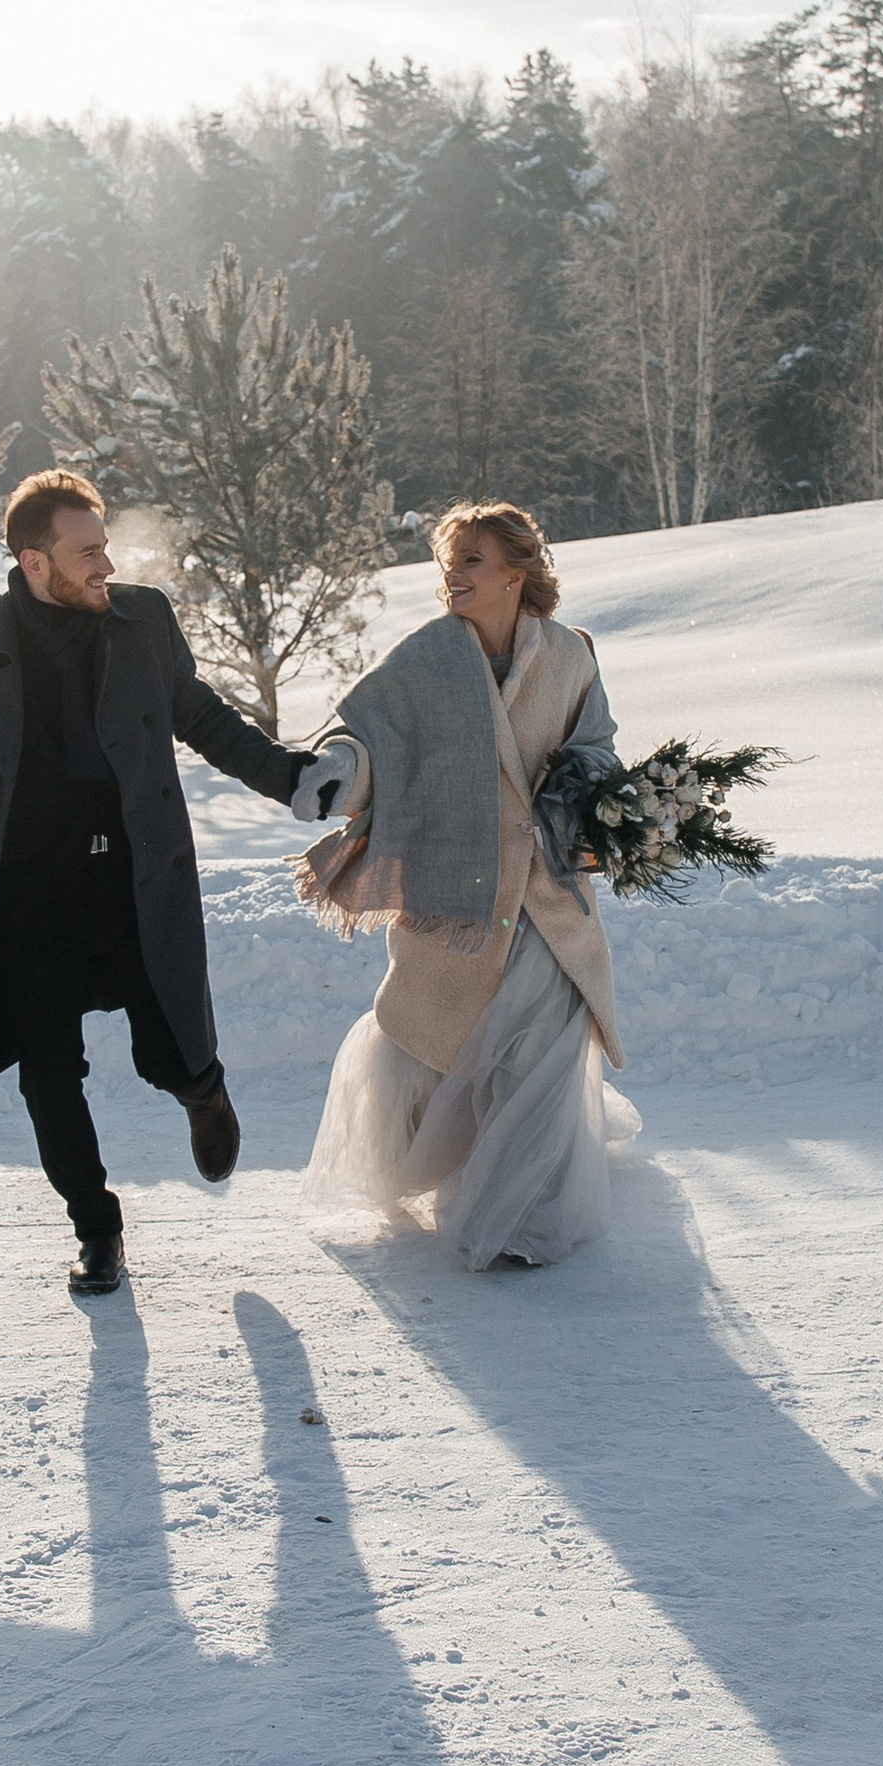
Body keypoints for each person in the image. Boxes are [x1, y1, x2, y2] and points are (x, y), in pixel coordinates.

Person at [0, 471, 310, 1298]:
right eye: (88, 551)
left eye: (107, 547)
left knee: (169, 1051)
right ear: (33, 561)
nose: (106, 565)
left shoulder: (143, 621)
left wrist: (295, 781)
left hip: (133, 885)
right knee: (45, 1073)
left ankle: (202, 1091)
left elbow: (201, 717)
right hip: (30, 902)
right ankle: (97, 1229)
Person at [296, 499, 636, 1272]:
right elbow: (364, 734)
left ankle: (526, 1213)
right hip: (457, 893)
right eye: (450, 561)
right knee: (425, 1041)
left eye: (473, 560)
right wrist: (342, 769)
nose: (455, 574)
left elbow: (597, 747)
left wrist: (584, 800)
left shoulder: (571, 657)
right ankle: (443, 1165)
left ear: (517, 574)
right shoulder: (425, 660)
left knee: (539, 1051)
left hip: (547, 893)